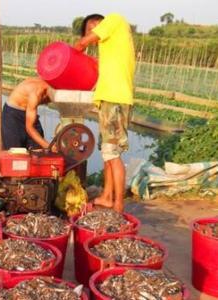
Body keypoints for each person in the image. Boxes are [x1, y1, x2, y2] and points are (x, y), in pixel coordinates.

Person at [74, 13, 136, 213]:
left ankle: (118, 204)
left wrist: (75, 50)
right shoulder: (112, 45)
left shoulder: (114, 20)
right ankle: (107, 196)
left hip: (115, 100)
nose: (91, 35)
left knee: (112, 153)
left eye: (89, 30)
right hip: (109, 100)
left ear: (94, 24)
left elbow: (84, 43)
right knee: (107, 152)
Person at [1, 77, 53, 150]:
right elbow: (30, 128)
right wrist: (49, 147)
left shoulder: (54, 86)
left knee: (38, 150)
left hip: (29, 112)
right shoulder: (36, 93)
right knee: (16, 153)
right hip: (13, 114)